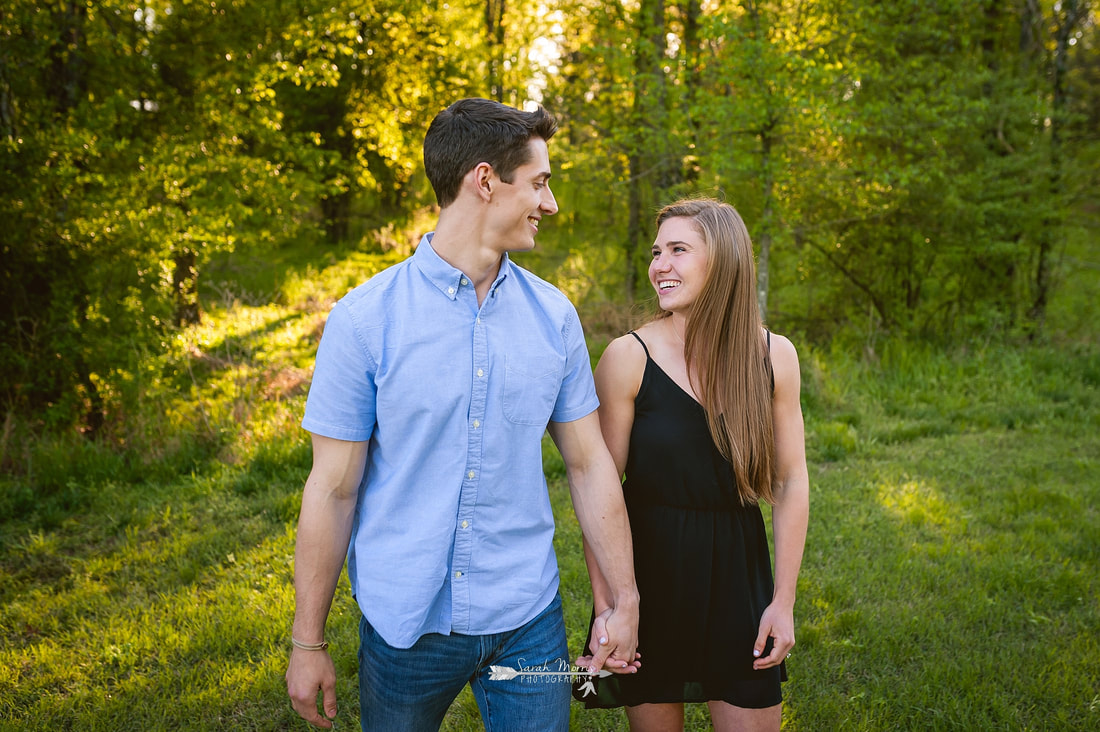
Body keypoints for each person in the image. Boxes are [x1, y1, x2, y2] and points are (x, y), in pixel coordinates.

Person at [285, 98, 640, 731]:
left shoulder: (554, 317)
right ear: (484, 180)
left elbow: (589, 467)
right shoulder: (365, 321)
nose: (550, 204)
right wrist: (307, 642)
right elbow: (332, 490)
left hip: (529, 620)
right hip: (404, 627)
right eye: (539, 183)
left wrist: (625, 597)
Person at [573, 198, 809, 731]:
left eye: (679, 250)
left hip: (739, 573)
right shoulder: (627, 357)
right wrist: (609, 606)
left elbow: (791, 481)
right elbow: (598, 488)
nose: (660, 265)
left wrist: (783, 601)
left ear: (723, 261)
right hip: (649, 574)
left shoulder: (775, 357)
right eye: (657, 251)